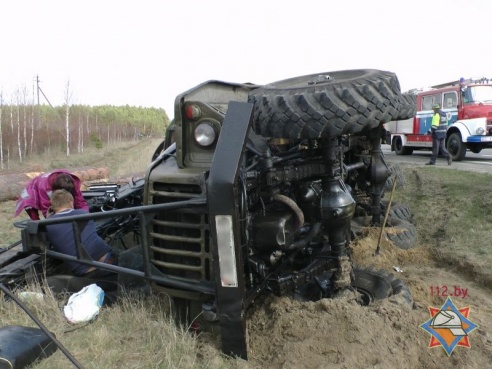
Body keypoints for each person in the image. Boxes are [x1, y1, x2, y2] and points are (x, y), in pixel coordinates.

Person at [46, 189, 160, 288]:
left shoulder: (47, 225)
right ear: (71, 202)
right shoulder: (82, 214)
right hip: (106, 263)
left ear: (53, 207)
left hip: (84, 272)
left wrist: (49, 216)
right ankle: (168, 285)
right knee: (144, 255)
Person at [14, 169, 89, 220]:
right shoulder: (44, 188)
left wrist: (84, 215)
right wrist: (53, 221)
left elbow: (80, 202)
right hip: (32, 190)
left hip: (50, 184)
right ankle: (40, 232)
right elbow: (46, 209)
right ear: (56, 189)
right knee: (32, 211)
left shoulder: (72, 182)